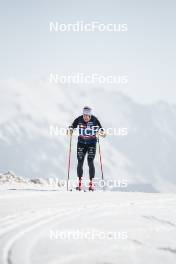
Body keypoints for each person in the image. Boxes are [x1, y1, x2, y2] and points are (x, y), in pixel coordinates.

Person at [67, 106, 106, 191]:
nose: (85, 117)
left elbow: (102, 130)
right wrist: (70, 130)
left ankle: (91, 185)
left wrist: (102, 133)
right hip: (81, 144)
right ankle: (79, 184)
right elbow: (72, 126)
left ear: (90, 115)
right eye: (84, 115)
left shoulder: (95, 120)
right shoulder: (79, 119)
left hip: (91, 143)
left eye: (86, 116)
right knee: (80, 161)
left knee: (90, 161)